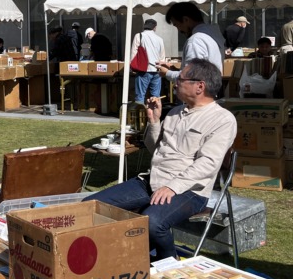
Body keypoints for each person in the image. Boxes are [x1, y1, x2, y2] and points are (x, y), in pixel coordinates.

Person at [86, 59, 236, 260]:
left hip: (189, 190)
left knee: (152, 222)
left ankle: (168, 263)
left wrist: (173, 186)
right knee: (91, 204)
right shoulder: (175, 112)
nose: (175, 83)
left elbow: (208, 164)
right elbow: (155, 148)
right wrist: (154, 121)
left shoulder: (222, 119)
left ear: (200, 86)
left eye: (180, 79)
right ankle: (123, 255)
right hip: (153, 179)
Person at [158, 2, 225, 83]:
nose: (179, 30)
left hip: (198, 93)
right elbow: (200, 71)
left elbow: (192, 76)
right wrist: (174, 70)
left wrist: (167, 73)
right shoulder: (212, 34)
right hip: (209, 90)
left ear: (186, 20)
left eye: (177, 25)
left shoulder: (196, 40)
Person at [132, 19, 166, 104]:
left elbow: (133, 53)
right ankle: (155, 116)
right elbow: (162, 58)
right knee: (156, 97)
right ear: (155, 27)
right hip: (157, 70)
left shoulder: (139, 36)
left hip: (143, 70)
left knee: (140, 95)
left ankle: (140, 116)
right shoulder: (160, 39)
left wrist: (132, 68)